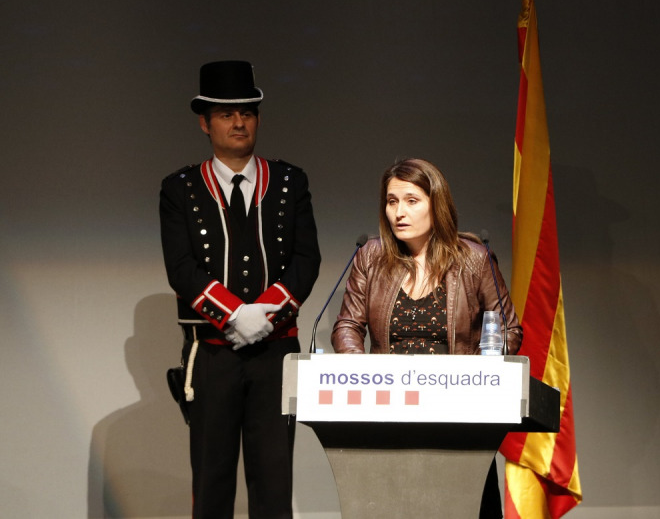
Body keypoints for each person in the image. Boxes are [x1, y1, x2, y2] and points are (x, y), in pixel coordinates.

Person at [159, 60, 321, 519]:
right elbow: (181, 267)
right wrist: (233, 315)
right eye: (226, 114)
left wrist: (264, 314)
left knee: (273, 486)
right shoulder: (180, 188)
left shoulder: (290, 182)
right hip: (212, 354)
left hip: (276, 353)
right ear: (205, 123)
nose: (238, 122)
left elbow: (306, 259)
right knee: (211, 485)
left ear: (258, 119)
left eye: (247, 112)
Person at [331, 157, 522, 518]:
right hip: (388, 410)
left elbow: (510, 330)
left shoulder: (474, 259)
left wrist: (477, 373)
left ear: (437, 204)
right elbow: (347, 327)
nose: (399, 212)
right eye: (392, 201)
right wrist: (360, 373)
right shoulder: (370, 256)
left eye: (411, 200)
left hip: (459, 414)